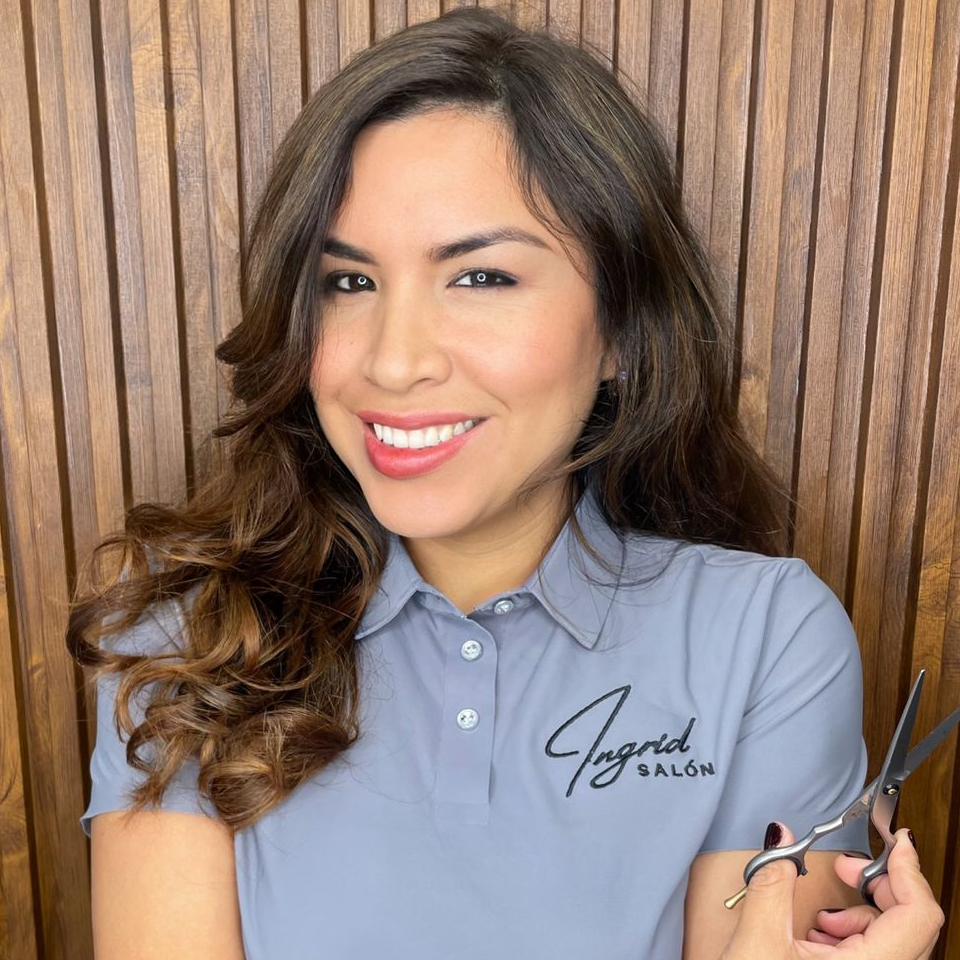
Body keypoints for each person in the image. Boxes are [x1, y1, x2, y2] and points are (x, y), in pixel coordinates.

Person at [65, 6, 944, 959]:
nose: (393, 362)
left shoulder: (767, 640)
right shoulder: (189, 636)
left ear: (621, 329)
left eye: (480, 278)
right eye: (348, 283)